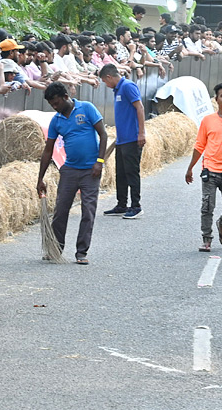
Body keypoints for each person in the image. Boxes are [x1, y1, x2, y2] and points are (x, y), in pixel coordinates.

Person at [36, 82, 107, 264]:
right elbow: (48, 150)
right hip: (69, 170)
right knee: (61, 210)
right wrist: (40, 178)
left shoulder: (87, 108)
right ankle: (56, 248)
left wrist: (99, 162)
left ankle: (81, 252)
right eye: (52, 105)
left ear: (66, 97)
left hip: (91, 170)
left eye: (57, 103)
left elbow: (103, 134)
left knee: (88, 211)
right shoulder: (56, 120)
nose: (55, 107)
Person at [185, 83, 222, 252]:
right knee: (207, 207)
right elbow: (199, 146)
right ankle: (207, 239)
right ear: (216, 99)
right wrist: (190, 168)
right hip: (210, 171)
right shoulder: (208, 121)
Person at [99, 63, 146, 219]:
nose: (105, 85)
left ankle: (136, 206)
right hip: (122, 139)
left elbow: (139, 107)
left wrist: (141, 132)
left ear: (109, 77)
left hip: (132, 138)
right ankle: (121, 204)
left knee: (132, 172)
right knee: (121, 173)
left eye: (105, 82)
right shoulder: (117, 89)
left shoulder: (127, 86)